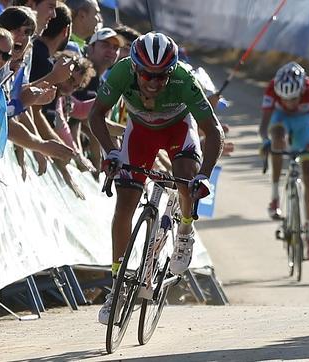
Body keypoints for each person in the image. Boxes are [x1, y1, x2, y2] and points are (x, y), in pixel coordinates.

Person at [89, 32, 224, 324]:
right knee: (125, 203)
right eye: (147, 75)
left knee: (186, 178)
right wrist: (111, 152)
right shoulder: (121, 71)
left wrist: (204, 176)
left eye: (162, 76)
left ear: (172, 70)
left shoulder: (185, 80)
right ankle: (117, 287)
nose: (153, 82)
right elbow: (95, 114)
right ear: (135, 68)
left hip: (178, 130)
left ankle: (185, 231)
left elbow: (214, 132)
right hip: (139, 133)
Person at [258, 61, 309, 260]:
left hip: (304, 126)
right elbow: (263, 125)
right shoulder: (272, 89)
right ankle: (274, 198)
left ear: (302, 90)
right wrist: (265, 141)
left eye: (293, 98)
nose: (289, 103)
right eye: (285, 98)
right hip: (280, 121)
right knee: (276, 139)